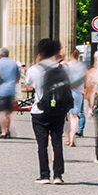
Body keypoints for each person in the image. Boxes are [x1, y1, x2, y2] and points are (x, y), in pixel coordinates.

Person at [25, 38, 70, 183]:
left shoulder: (34, 69)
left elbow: (27, 85)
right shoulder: (63, 68)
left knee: (42, 145)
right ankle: (58, 175)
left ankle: (44, 175)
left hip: (40, 110)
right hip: (58, 110)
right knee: (57, 142)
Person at [0, 48, 20, 137]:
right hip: (11, 90)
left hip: (0, 91)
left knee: (1, 112)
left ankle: (3, 131)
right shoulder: (13, 63)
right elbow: (18, 77)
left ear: (0, 55)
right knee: (8, 112)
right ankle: (7, 129)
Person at [65, 48, 87, 148]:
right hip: (78, 93)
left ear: (70, 55)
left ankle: (67, 138)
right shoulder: (82, 67)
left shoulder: (66, 66)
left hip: (67, 92)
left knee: (67, 117)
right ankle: (72, 138)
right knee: (75, 116)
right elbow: (85, 80)